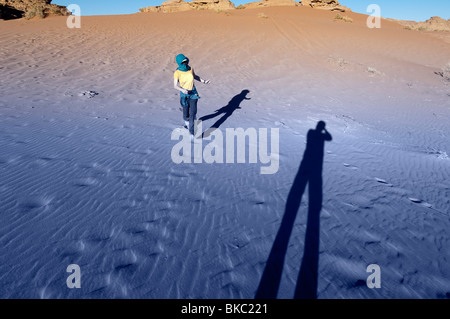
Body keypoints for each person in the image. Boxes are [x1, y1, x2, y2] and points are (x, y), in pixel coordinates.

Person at [173, 54, 210, 137]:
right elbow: (175, 86)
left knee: (193, 113)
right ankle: (187, 124)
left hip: (193, 93)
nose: (185, 63)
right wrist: (182, 90)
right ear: (179, 63)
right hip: (184, 95)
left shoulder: (191, 69)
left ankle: (192, 133)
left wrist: (204, 81)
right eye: (183, 62)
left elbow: (195, 76)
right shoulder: (177, 72)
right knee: (186, 114)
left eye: (186, 61)